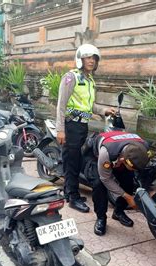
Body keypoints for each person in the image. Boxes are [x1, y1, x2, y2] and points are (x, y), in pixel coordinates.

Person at [56, 43, 116, 213]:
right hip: (71, 126)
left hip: (83, 125)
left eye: (94, 58)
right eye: (88, 57)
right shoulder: (71, 77)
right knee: (72, 162)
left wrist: (104, 110)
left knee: (78, 159)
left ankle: (70, 192)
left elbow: (89, 105)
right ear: (80, 59)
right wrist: (60, 129)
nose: (91, 61)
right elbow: (61, 105)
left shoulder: (89, 80)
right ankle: (73, 197)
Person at [89, 131, 149, 236]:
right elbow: (106, 179)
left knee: (129, 182)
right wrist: (128, 197)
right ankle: (101, 218)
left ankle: (118, 212)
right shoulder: (106, 152)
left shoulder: (143, 147)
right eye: (131, 167)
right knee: (99, 185)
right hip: (99, 154)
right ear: (122, 160)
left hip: (122, 151)